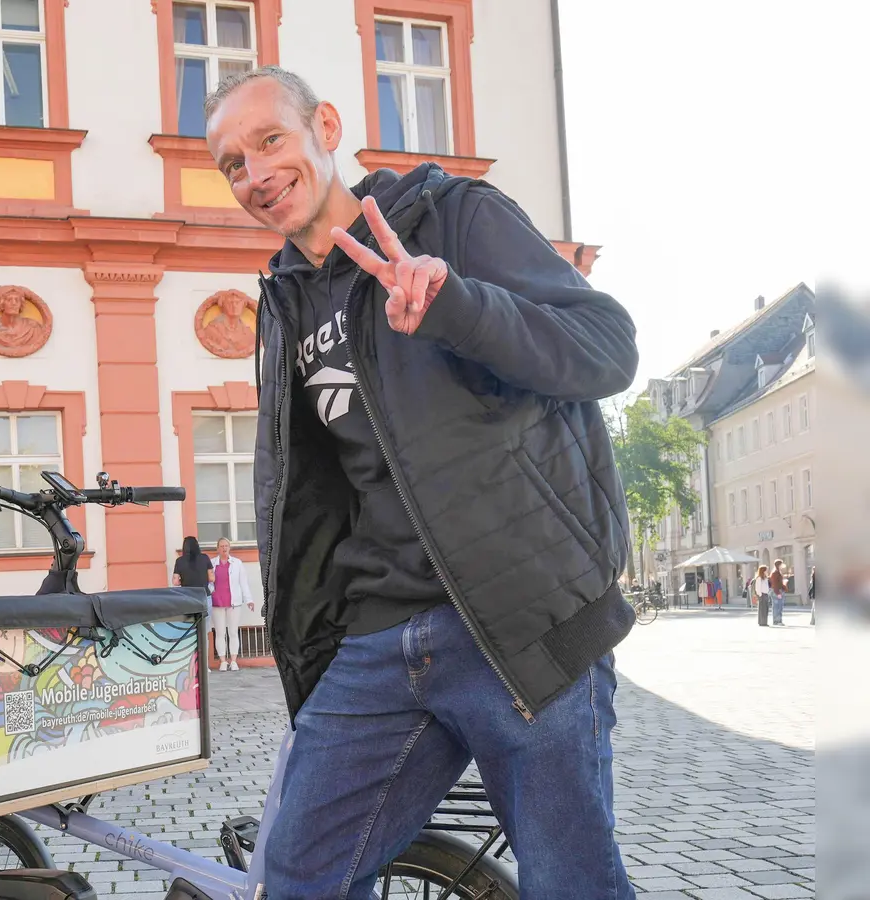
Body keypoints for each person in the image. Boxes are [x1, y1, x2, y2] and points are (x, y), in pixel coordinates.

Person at [204, 66, 639, 898]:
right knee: (300, 879)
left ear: (325, 127)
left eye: (269, 141)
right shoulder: (285, 299)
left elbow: (606, 347)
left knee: (570, 882)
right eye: (231, 163)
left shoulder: (453, 215)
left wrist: (458, 307)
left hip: (520, 625)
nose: (255, 174)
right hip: (377, 642)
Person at [209, 538, 255, 671]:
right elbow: (209, 582)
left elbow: (243, 583)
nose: (224, 548)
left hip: (233, 602)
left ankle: (233, 660)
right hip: (217, 602)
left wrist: (249, 600)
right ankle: (223, 660)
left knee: (233, 631)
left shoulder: (237, 563)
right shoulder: (212, 563)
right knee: (220, 632)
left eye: (226, 546)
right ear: (217, 548)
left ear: (230, 548)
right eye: (222, 546)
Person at [769, 559, 787, 626]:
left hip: (778, 590)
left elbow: (778, 583)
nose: (782, 566)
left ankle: (778, 620)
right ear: (779, 565)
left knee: (778, 606)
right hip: (777, 591)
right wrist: (778, 593)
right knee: (777, 607)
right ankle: (777, 621)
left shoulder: (777, 572)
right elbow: (774, 584)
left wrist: (783, 585)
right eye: (781, 564)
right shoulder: (775, 572)